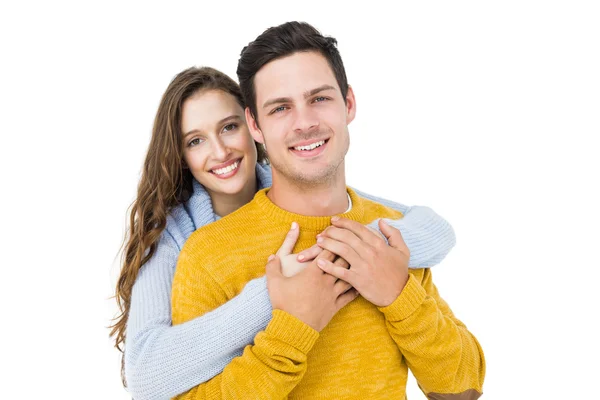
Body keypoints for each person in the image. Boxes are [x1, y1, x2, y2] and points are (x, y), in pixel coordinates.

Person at [170, 22, 485, 399]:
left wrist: (399, 295)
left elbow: (462, 390)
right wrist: (292, 331)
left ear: (348, 104)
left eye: (319, 98)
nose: (304, 123)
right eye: (281, 108)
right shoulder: (208, 253)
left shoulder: (391, 235)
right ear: (255, 124)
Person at [111, 67, 457, 400]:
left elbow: (430, 228)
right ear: (182, 155)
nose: (220, 151)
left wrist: (348, 255)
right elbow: (144, 376)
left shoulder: (304, 193)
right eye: (196, 140)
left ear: (253, 127)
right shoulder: (176, 239)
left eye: (229, 127)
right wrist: (275, 296)